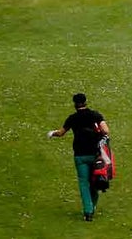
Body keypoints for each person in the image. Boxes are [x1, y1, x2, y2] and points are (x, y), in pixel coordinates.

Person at [48, 92, 111, 221]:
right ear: (85, 101)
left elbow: (61, 133)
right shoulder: (95, 115)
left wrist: (52, 133)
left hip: (80, 155)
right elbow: (106, 130)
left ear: (75, 104)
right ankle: (91, 208)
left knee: (84, 183)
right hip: (95, 155)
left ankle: (87, 211)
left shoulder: (72, 118)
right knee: (95, 182)